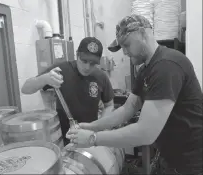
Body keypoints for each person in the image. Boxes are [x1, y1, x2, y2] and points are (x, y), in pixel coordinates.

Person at [66, 15, 203, 175]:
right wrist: (91, 126)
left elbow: (145, 133)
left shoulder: (167, 66)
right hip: (167, 155)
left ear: (144, 34)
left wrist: (93, 138)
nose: (124, 52)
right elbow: (128, 108)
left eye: (127, 45)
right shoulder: (146, 69)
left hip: (189, 162)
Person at [21, 37, 114, 146]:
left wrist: (99, 128)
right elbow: (25, 89)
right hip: (62, 139)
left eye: (93, 63)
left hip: (88, 137)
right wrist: (44, 78)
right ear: (77, 54)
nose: (87, 67)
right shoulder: (61, 70)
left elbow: (109, 105)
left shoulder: (101, 77)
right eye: (84, 61)